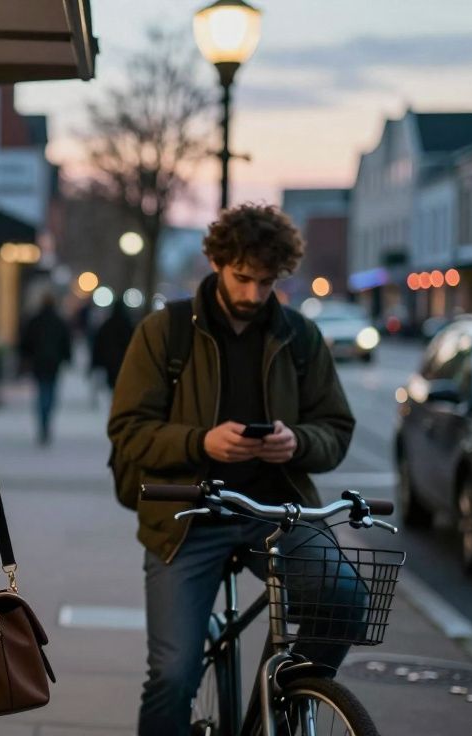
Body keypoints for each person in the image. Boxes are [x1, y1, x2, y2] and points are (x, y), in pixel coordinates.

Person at [106, 204, 358, 735]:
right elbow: (127, 430)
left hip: (276, 513)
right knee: (172, 676)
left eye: (266, 283)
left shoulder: (299, 338)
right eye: (243, 278)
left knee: (346, 600)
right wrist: (203, 443)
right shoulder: (164, 332)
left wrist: (297, 442)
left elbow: (335, 428)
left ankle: (290, 697)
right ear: (218, 263)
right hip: (186, 520)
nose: (252, 294)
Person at [19, 291, 73, 446]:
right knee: (50, 392)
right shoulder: (59, 321)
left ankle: (43, 422)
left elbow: (26, 342)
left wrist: (26, 357)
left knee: (42, 392)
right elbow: (66, 342)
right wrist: (67, 358)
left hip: (38, 363)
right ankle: (46, 419)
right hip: (54, 363)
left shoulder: (35, 320)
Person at [92, 300, 135, 390]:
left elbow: (99, 344)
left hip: (110, 362)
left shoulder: (107, 325)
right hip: (124, 362)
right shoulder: (128, 325)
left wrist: (96, 362)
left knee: (113, 386)